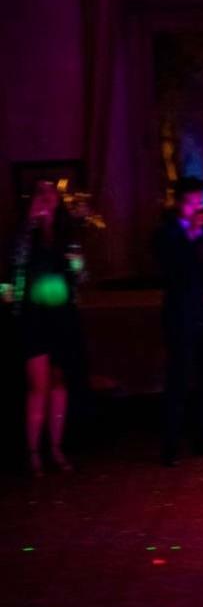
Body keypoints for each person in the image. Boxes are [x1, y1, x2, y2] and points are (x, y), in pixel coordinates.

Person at [155, 177, 203, 466]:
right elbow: (176, 271)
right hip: (183, 318)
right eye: (192, 202)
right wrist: (193, 233)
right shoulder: (167, 234)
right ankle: (171, 445)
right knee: (178, 380)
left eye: (200, 201)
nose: (197, 207)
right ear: (179, 203)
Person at [11, 180, 85, 475]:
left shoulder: (67, 234)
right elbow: (15, 261)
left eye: (51, 192)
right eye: (41, 192)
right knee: (37, 385)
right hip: (35, 315)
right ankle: (32, 451)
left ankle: (55, 447)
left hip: (62, 316)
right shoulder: (25, 233)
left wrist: (79, 267)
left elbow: (80, 274)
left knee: (59, 382)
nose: (47, 197)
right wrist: (30, 224)